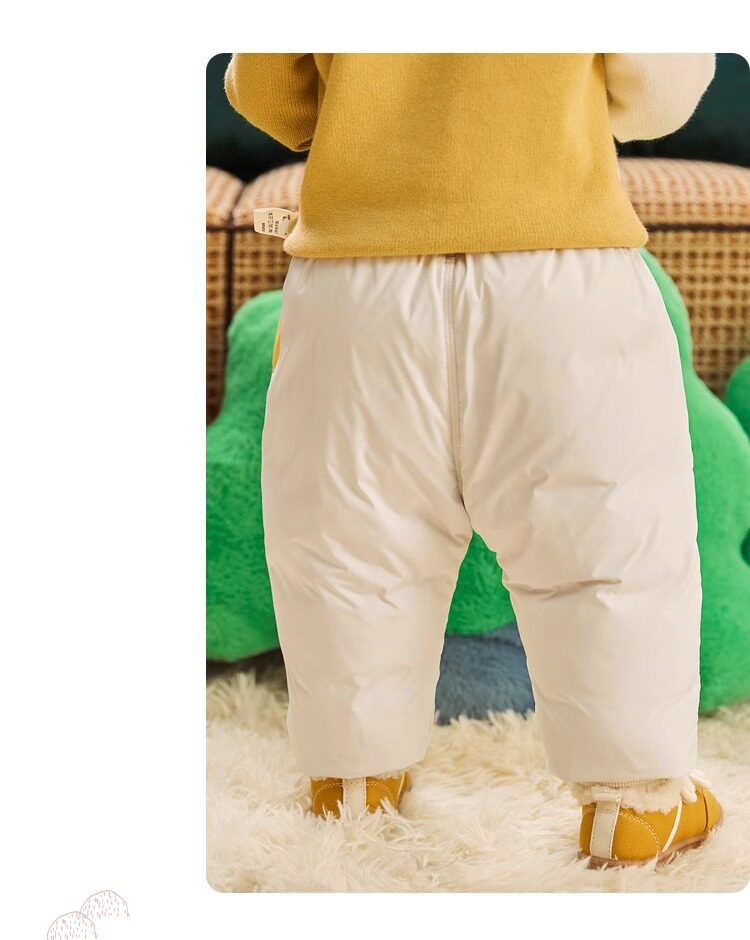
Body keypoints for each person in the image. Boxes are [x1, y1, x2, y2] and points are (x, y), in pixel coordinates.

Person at [225, 53, 722, 867]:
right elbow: (660, 94)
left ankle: (354, 779)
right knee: (607, 544)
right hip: (561, 272)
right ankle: (636, 804)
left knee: (350, 544)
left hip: (358, 284)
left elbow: (269, 94)